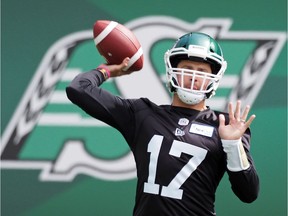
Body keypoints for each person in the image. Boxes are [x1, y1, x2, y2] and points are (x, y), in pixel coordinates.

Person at [66, 32, 259, 216]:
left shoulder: (224, 125)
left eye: (202, 71)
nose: (193, 76)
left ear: (214, 77)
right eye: (187, 69)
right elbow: (79, 89)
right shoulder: (144, 114)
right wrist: (108, 70)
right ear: (172, 71)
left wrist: (233, 145)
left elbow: (248, 193)